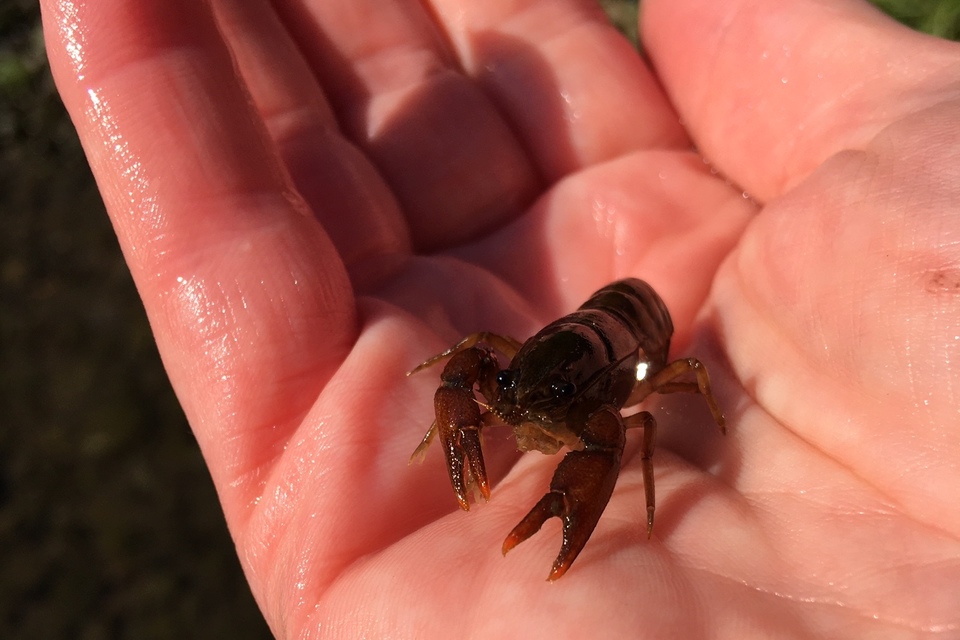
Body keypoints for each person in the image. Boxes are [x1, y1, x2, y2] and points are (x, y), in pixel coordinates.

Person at [43, 0, 960, 636]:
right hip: (580, 334)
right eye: (514, 392)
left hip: (634, 327)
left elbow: (622, 426)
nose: (514, 404)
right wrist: (476, 408)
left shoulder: (607, 394)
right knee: (497, 371)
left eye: (529, 396)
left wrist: (685, 422)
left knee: (630, 431)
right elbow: (477, 357)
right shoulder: (516, 374)